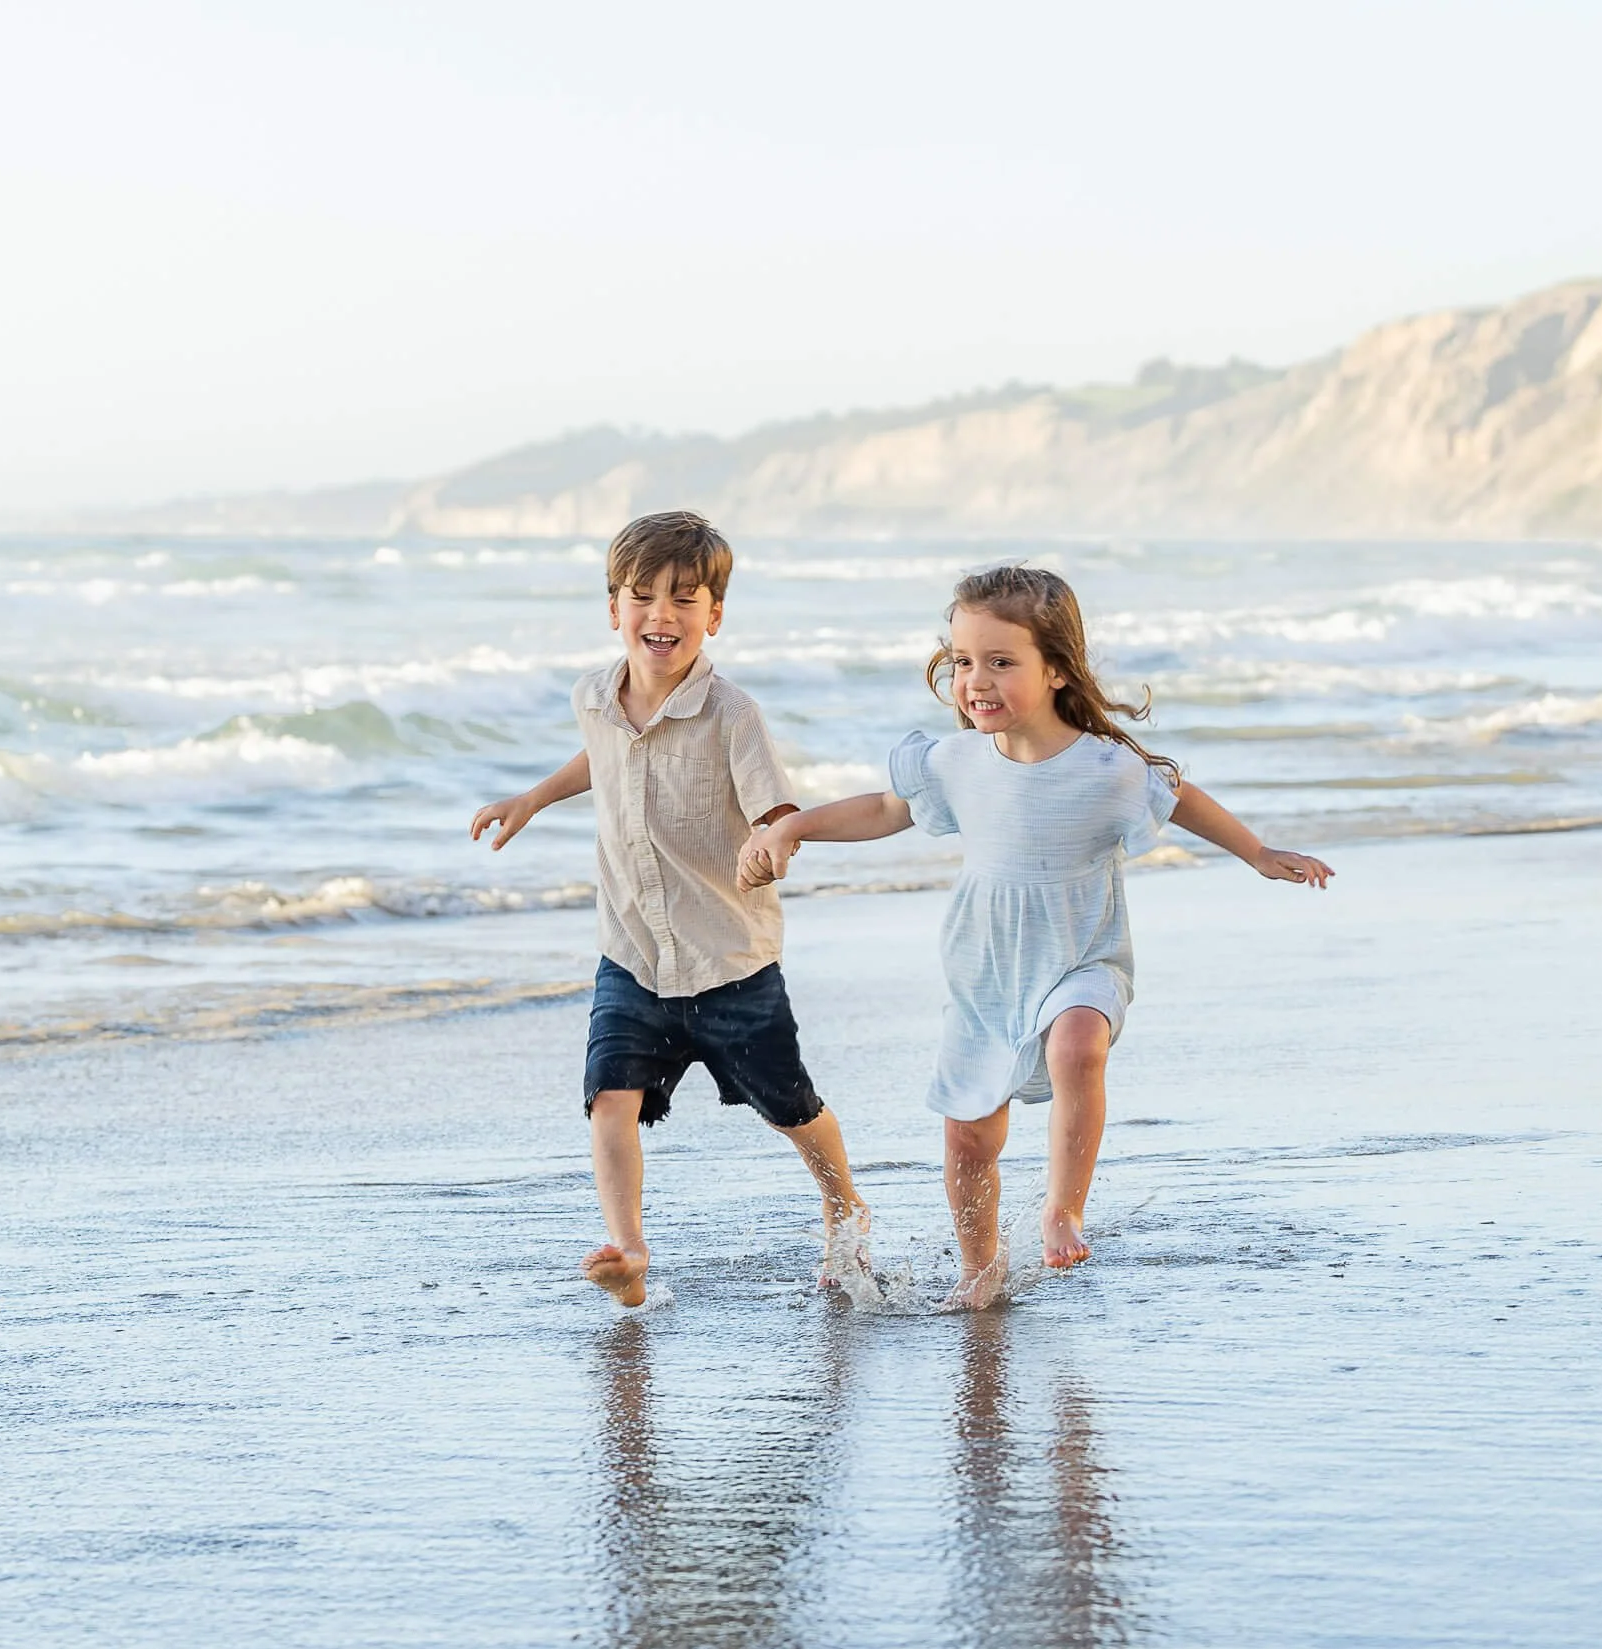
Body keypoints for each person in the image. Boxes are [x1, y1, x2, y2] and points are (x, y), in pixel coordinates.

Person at [737, 563, 1332, 1308]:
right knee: (968, 1141)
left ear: (1055, 669)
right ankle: (980, 1271)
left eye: (1000, 661)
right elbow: (885, 810)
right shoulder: (953, 761)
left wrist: (1257, 852)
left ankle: (1063, 1207)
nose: (975, 680)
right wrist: (797, 825)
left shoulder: (1104, 766)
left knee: (1077, 1043)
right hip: (985, 974)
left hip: (1082, 958)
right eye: (962, 661)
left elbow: (1175, 794)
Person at [471, 510, 868, 1307]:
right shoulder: (594, 695)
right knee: (609, 1095)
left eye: (685, 600)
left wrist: (774, 842)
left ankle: (842, 1196)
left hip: (729, 961)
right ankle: (629, 1248)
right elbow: (608, 753)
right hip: (633, 954)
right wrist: (535, 797)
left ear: (714, 615)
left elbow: (772, 808)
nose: (662, 614)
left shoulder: (734, 715)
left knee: (789, 1106)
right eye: (642, 596)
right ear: (613, 608)